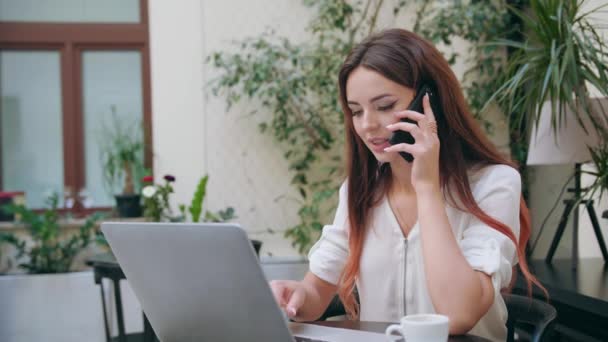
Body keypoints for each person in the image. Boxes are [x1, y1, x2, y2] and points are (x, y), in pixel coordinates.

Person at [270, 28, 542, 341]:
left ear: (431, 102)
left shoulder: (493, 184)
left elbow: (458, 315)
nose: (367, 124)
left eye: (384, 106)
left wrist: (426, 187)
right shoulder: (361, 190)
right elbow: (316, 292)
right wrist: (297, 297)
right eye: (356, 111)